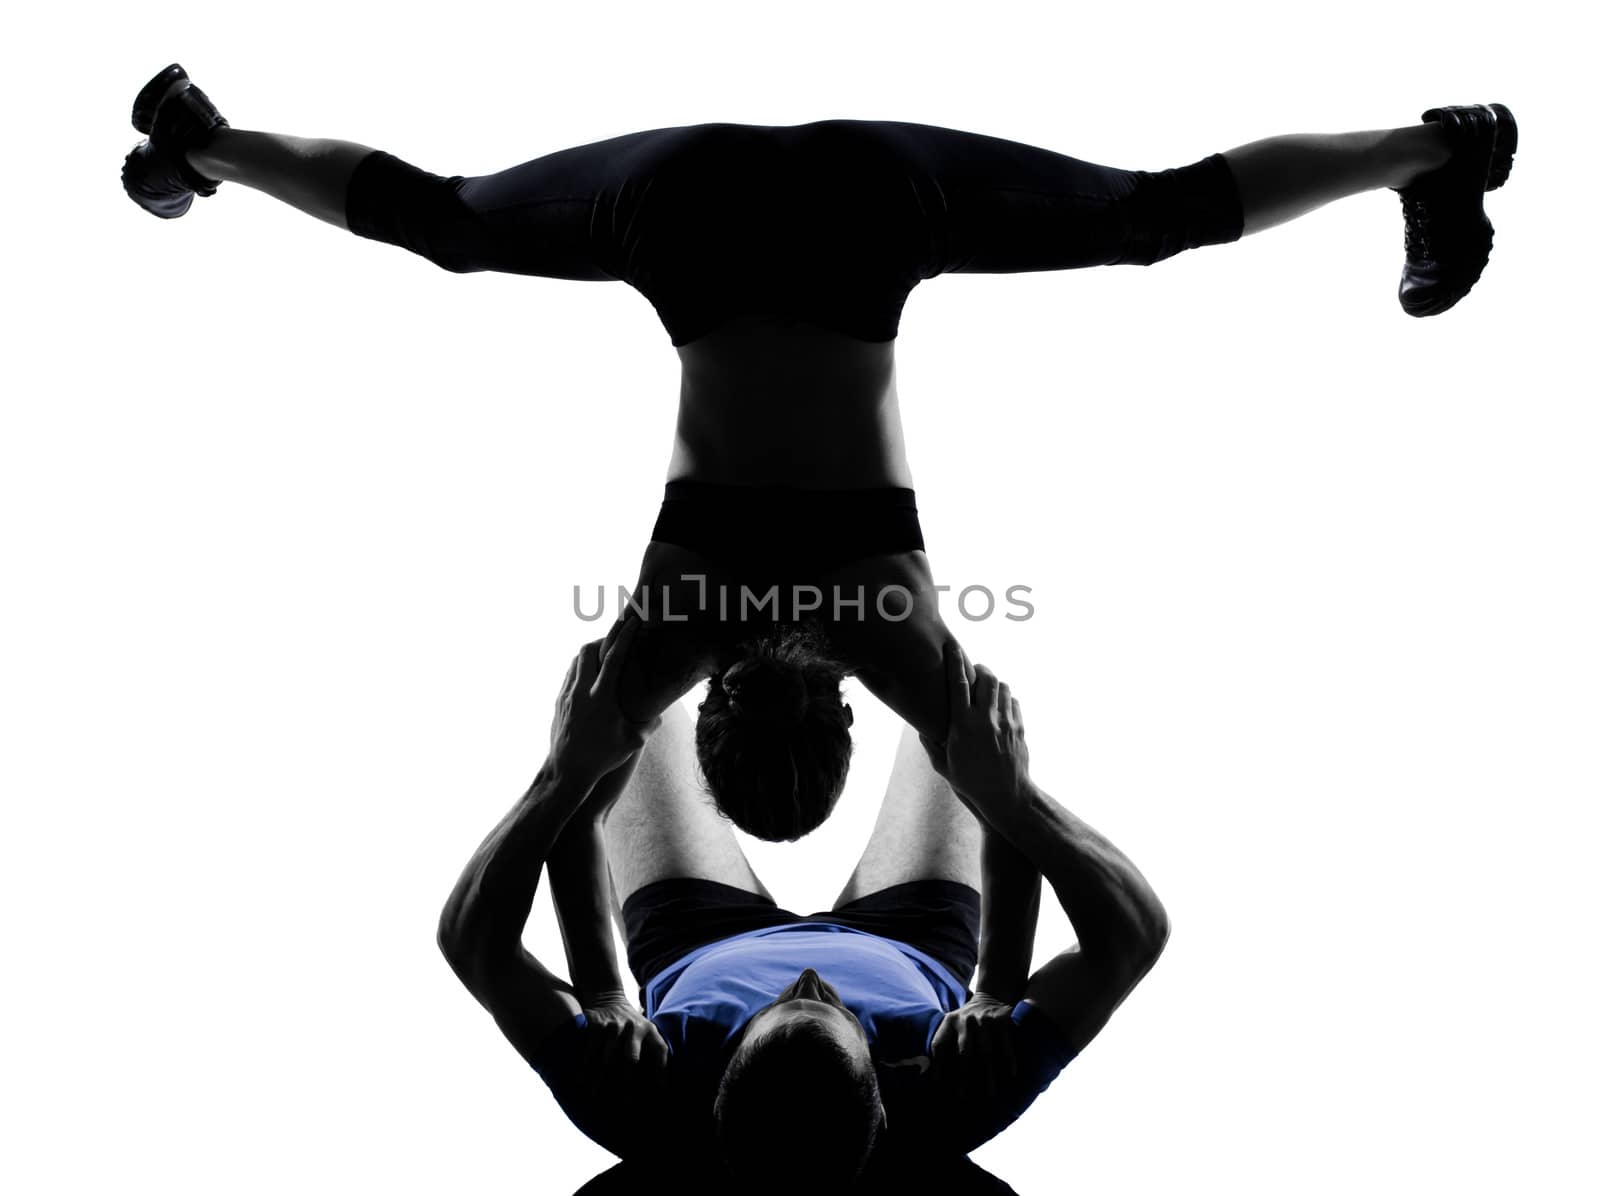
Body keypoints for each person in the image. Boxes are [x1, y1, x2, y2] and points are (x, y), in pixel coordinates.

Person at [120, 66, 1518, 841]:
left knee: (1145, 217)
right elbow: (559, 811)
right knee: (457, 223)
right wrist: (585, 795)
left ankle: (1427, 150)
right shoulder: (668, 639)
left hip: (863, 218)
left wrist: (985, 946)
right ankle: (210, 142)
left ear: (847, 723)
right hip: (687, 221)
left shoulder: (896, 642)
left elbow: (1007, 808)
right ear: (707, 724)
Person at [435, 616, 1169, 1192]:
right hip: (914, 933)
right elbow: (1131, 936)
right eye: (835, 1011)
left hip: (696, 934)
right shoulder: (956, 1097)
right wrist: (1011, 818)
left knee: (615, 692)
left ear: (714, 1090)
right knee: (959, 713)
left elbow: (475, 945)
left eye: (772, 1010)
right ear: (887, 1100)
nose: (812, 980)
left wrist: (564, 783)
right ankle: (830, 615)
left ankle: (742, 623)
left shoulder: (638, 1103)